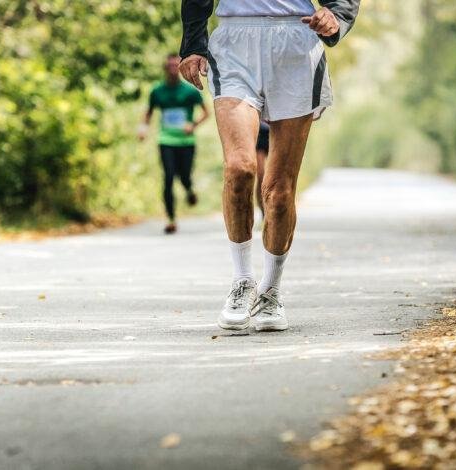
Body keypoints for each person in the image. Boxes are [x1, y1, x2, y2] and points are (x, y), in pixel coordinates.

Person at [179, 0, 360, 331]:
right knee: (239, 168)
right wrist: (193, 44)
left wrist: (336, 13)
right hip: (234, 42)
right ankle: (243, 281)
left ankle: (271, 291)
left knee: (278, 191)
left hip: (296, 40)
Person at [139, 54, 210, 234]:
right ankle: (171, 219)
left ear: (179, 68)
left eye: (175, 66)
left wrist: (192, 125)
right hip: (166, 140)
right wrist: (143, 129)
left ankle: (189, 190)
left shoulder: (190, 91)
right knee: (169, 177)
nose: (172, 69)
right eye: (169, 66)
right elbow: (148, 112)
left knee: (184, 175)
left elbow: (206, 113)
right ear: (165, 68)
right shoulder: (157, 91)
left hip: (186, 141)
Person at [255, 120, 270, 219]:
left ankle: (273, 210)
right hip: (260, 134)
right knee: (261, 176)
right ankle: (263, 212)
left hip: (276, 130)